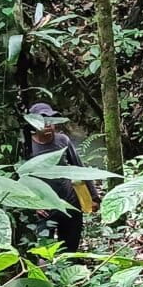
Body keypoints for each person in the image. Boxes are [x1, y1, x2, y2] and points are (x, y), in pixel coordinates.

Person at [29, 103, 99, 254]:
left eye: (51, 120)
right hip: (45, 207)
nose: (48, 124)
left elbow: (79, 168)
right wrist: (33, 205)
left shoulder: (62, 140)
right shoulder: (27, 145)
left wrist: (93, 197)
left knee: (70, 248)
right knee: (43, 250)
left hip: (70, 202)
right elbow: (20, 179)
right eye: (43, 120)